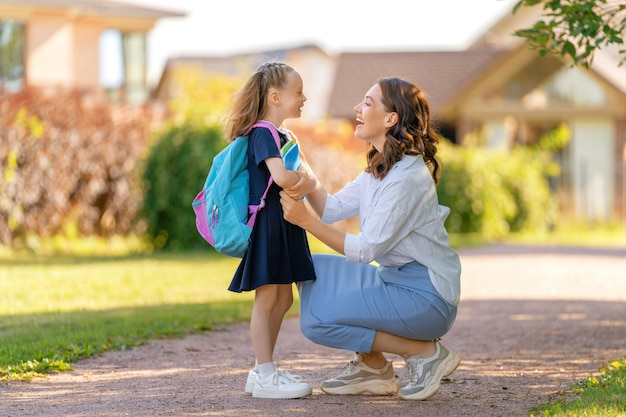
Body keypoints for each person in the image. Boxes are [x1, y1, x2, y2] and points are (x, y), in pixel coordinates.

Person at [279, 77, 462, 401]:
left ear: (391, 118)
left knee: (316, 323)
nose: (357, 109)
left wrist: (304, 221)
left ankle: (425, 353)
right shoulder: (381, 166)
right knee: (311, 271)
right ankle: (373, 365)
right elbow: (331, 208)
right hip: (396, 282)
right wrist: (303, 168)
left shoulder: (407, 178)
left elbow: (364, 250)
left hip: (428, 298)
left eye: (367, 102)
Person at [225, 61, 317, 399]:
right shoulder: (262, 132)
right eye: (298, 92)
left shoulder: (281, 134)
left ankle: (262, 369)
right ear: (276, 97)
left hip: (284, 223)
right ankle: (264, 373)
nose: (304, 97)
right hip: (269, 225)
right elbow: (280, 177)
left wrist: (304, 181)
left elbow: (298, 178)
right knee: (267, 299)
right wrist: (304, 180)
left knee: (283, 297)